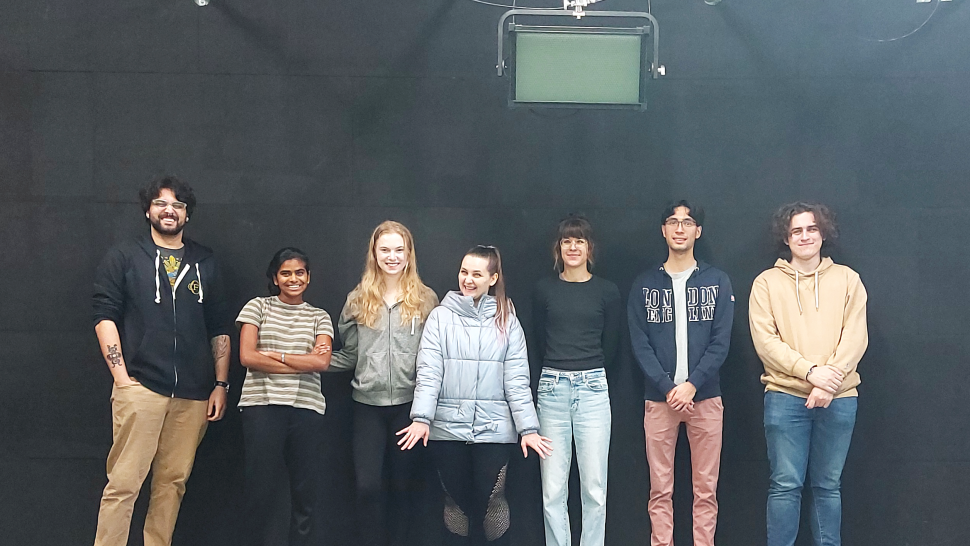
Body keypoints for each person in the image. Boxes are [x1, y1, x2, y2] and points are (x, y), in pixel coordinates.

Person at [91, 175, 231, 546]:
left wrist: (220, 384)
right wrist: (121, 378)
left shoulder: (205, 261)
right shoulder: (124, 256)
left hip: (195, 393)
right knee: (123, 484)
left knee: (172, 483)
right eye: (161, 203)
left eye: (178, 205)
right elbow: (104, 316)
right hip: (140, 386)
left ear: (187, 214)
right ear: (148, 209)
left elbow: (219, 326)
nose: (169, 210)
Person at [398, 245, 553, 546]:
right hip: (447, 430)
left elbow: (517, 380)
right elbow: (429, 373)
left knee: (493, 500)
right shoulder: (440, 318)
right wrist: (421, 418)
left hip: (494, 432)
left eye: (477, 274)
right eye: (464, 272)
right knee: (455, 503)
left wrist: (528, 429)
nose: (468, 279)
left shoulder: (507, 319)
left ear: (493, 278)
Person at [749, 202, 867, 546]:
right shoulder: (766, 283)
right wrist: (811, 373)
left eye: (811, 229)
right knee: (786, 484)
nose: (804, 236)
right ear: (785, 238)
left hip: (840, 398)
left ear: (823, 233)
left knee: (828, 486)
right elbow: (765, 341)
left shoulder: (848, 280)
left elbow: (856, 336)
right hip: (784, 398)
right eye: (796, 230)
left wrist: (830, 382)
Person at [627, 200, 734, 546]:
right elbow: (639, 343)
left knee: (706, 491)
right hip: (659, 401)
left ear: (697, 232)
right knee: (660, 490)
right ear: (663, 230)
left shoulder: (717, 281)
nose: (679, 228)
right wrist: (668, 387)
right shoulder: (645, 285)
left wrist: (691, 385)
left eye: (687, 223)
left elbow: (721, 342)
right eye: (673, 222)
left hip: (705, 399)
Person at [327, 221, 438, 546]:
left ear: (409, 254)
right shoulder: (358, 299)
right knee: (368, 488)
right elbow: (349, 355)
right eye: (385, 250)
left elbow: (435, 358)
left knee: (404, 489)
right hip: (367, 409)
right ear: (374, 254)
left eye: (398, 250)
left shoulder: (426, 299)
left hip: (409, 410)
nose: (392, 256)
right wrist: (306, 362)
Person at [532, 216, 621, 546]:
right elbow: (538, 341)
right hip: (552, 388)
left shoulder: (607, 291)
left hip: (593, 389)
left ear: (590, 248)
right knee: (553, 490)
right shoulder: (544, 289)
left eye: (579, 241)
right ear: (558, 247)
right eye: (567, 241)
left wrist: (588, 376)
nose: (573, 247)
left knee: (594, 488)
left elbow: (611, 346)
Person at [236, 247, 334, 546]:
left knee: (305, 492)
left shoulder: (319, 316)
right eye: (286, 273)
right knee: (260, 489)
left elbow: (322, 363)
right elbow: (247, 357)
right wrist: (300, 361)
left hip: (306, 409)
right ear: (275, 278)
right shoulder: (258, 307)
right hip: (261, 406)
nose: (294, 279)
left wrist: (276, 355)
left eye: (300, 272)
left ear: (308, 276)